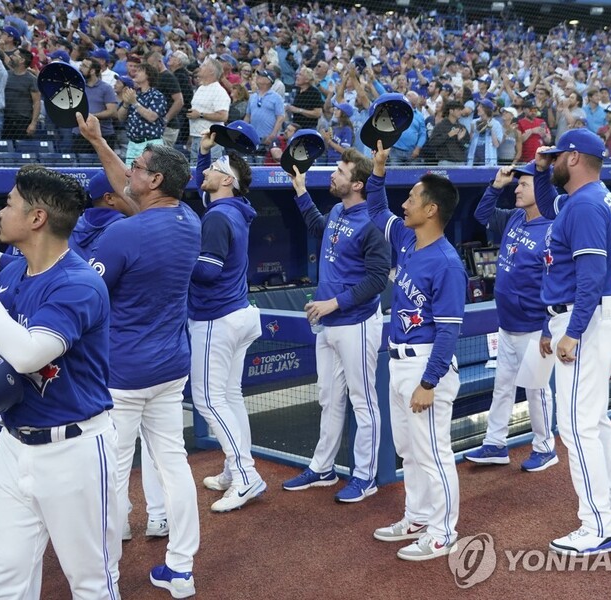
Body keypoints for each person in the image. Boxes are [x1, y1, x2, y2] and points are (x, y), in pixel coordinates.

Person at [0, 165, 119, 598]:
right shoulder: (14, 272)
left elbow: (30, 352)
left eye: (9, 203)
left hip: (74, 450)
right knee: (6, 580)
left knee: (91, 583)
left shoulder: (79, 283)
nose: (0, 212)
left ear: (36, 218)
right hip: (13, 444)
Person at [76, 113, 201, 598]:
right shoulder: (188, 219)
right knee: (174, 466)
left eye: (139, 166)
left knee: (109, 477)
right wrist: (97, 141)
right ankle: (182, 569)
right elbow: (126, 190)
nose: (130, 169)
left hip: (124, 375)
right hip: (170, 369)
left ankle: (104, 577)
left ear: (156, 180)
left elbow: (84, 294)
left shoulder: (122, 234)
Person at [366, 140, 465, 561]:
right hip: (400, 361)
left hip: (427, 365)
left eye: (411, 198)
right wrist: (378, 170)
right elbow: (375, 211)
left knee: (434, 452)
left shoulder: (446, 262)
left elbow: (448, 333)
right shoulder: (408, 244)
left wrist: (429, 382)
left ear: (431, 210)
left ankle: (445, 531)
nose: (403, 204)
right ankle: (418, 516)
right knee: (409, 450)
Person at [533, 128, 611, 556]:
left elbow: (590, 276)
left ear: (573, 158)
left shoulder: (587, 204)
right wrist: (538, 172)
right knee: (595, 420)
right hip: (591, 316)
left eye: (554, 157)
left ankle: (598, 525)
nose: (549, 162)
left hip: (583, 318)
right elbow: (550, 200)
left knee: (575, 425)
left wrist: (572, 332)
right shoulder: (592, 196)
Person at [282, 148, 390, 502]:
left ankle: (365, 477)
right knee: (329, 399)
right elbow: (319, 226)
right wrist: (300, 190)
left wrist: (334, 302)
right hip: (328, 323)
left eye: (340, 171)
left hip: (356, 322)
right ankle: (323, 468)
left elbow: (377, 280)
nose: (333, 174)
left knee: (363, 401)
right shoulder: (337, 211)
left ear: (357, 183)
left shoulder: (373, 222)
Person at [465, 162, 557, 471]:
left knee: (536, 390)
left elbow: (556, 283)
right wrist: (496, 185)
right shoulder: (516, 217)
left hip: (534, 326)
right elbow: (481, 216)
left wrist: (547, 329)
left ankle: (545, 447)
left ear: (542, 189)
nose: (516, 189)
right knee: (502, 386)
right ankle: (495, 444)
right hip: (507, 322)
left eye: (523, 184)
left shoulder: (553, 230)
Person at [191, 132, 265, 512]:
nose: (209, 172)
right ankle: (233, 469)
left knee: (207, 399)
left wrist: (173, 261)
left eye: (216, 168)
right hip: (238, 313)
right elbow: (203, 185)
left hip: (214, 316)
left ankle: (245, 473)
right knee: (229, 397)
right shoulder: (233, 207)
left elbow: (206, 271)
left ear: (228, 181)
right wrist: (204, 154)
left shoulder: (219, 216)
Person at [116, 62, 167, 166]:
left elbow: (152, 117)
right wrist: (126, 103)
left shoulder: (157, 95)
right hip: (132, 143)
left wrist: (134, 103)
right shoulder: (133, 94)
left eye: (140, 71)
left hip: (151, 143)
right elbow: (120, 117)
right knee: (130, 175)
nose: (136, 72)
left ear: (148, 75)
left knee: (150, 173)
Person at [187, 58, 229, 162]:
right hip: (196, 138)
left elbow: (223, 116)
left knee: (211, 171)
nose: (200, 67)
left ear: (211, 71)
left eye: (204, 65)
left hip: (212, 140)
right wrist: (190, 137)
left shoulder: (219, 91)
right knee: (195, 171)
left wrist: (200, 115)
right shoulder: (200, 88)